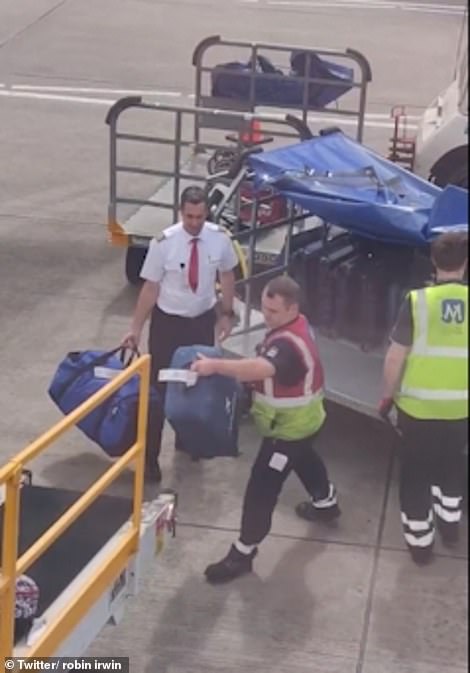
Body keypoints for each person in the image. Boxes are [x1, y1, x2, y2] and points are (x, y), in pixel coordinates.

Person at [191, 275, 340, 583]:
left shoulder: (287, 344)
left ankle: (243, 552)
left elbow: (262, 369)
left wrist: (216, 367)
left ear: (292, 309)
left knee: (261, 488)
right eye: (264, 308)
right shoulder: (295, 327)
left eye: (273, 312)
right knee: (304, 458)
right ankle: (326, 504)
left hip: (287, 430)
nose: (266, 316)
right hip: (306, 422)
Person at [122, 186, 238, 482]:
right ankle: (149, 458)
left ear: (207, 213)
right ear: (180, 212)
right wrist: (135, 328)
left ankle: (188, 440)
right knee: (158, 392)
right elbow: (150, 288)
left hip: (200, 322)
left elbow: (227, 275)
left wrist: (226, 314)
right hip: (168, 325)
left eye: (200, 216)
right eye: (189, 216)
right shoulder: (164, 243)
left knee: (195, 384)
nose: (195, 222)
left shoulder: (220, 239)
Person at [379, 230, 468, 564]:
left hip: (417, 409)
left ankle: (420, 544)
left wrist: (387, 397)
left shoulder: (417, 303)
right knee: (452, 465)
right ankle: (450, 526)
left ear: (433, 261)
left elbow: (394, 357)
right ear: (466, 263)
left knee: (416, 473)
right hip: (461, 408)